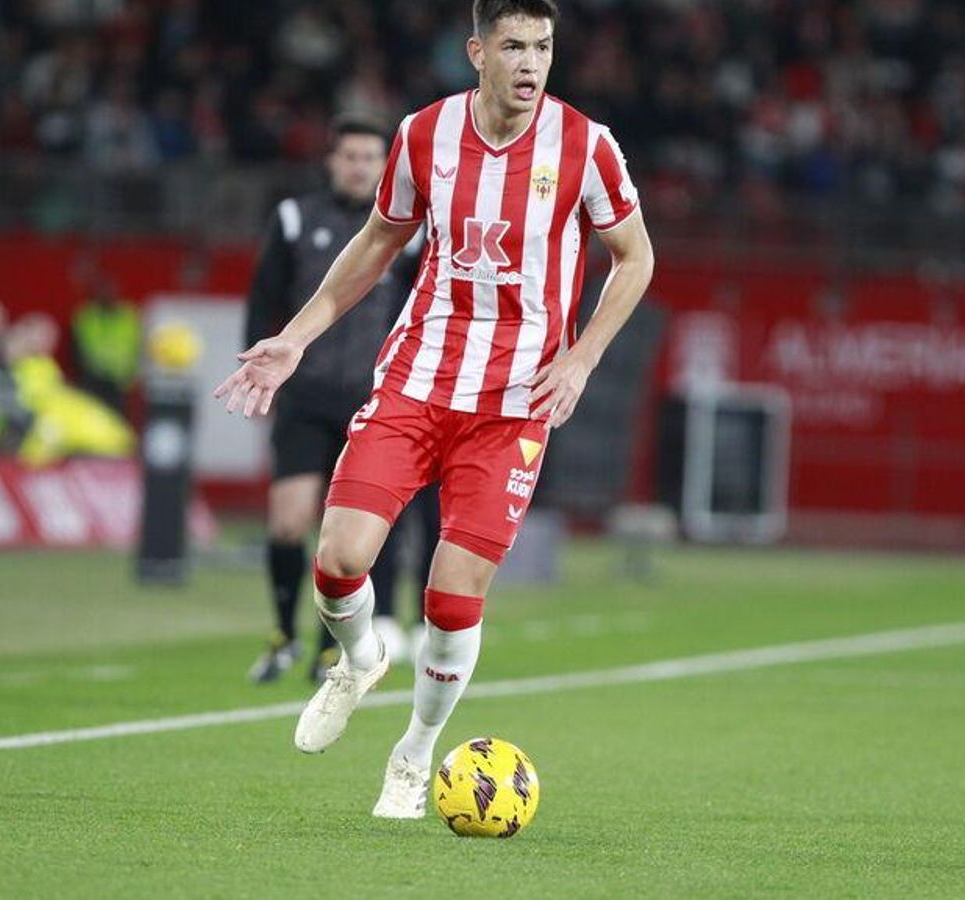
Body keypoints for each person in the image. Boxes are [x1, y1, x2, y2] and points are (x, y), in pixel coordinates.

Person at [214, 0, 654, 818]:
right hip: (417, 379)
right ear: (477, 51)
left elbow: (635, 256)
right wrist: (298, 336)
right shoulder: (424, 134)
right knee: (340, 556)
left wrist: (583, 357)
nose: (531, 63)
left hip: (514, 403)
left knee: (452, 599)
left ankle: (414, 755)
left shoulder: (586, 146)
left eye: (545, 47)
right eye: (515, 46)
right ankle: (359, 658)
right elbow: (380, 239)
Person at [242, 113, 437, 686]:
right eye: (349, 156)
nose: (358, 167)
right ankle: (282, 634)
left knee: (347, 535)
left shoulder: (410, 232)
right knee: (287, 522)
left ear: (386, 165)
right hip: (304, 397)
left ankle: (335, 648)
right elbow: (262, 302)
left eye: (370, 158)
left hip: (372, 402)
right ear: (332, 161)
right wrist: (262, 373)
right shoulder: (295, 218)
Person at [70, 274, 141, 414]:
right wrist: (85, 375)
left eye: (110, 290)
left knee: (116, 424)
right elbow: (75, 349)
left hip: (119, 384)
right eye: (102, 291)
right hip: (92, 381)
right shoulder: (87, 316)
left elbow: (138, 348)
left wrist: (133, 375)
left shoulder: (129, 317)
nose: (106, 294)